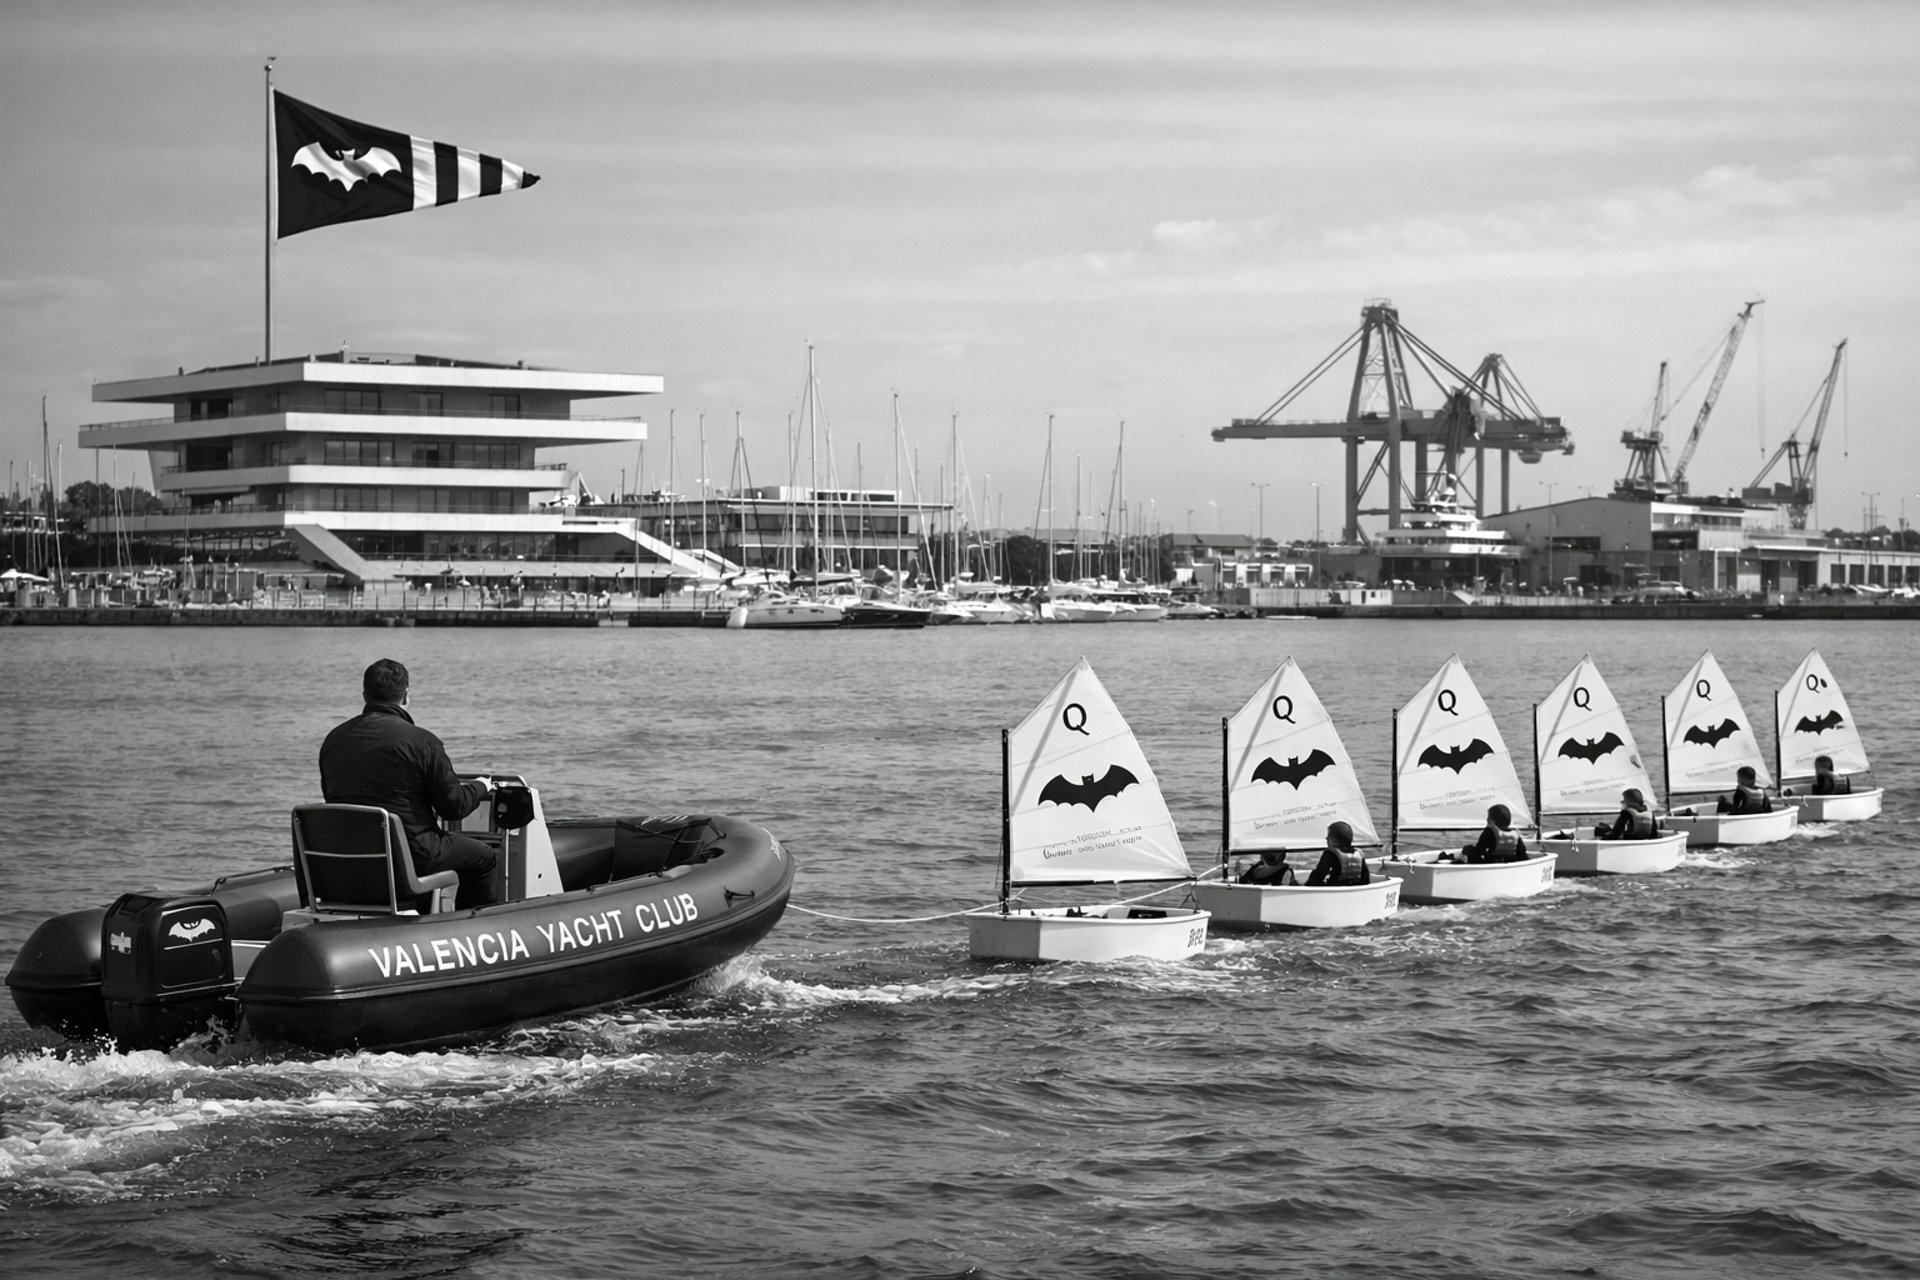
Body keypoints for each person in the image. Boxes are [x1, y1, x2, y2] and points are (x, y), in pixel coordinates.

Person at [319, 658, 498, 910]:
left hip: (352, 857)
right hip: (412, 856)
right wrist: (481, 787)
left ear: (364, 694)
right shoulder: (422, 742)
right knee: (485, 857)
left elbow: (334, 798)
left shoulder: (333, 740)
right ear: (406, 696)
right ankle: (471, 934)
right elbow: (453, 807)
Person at [1306, 820, 1370, 886]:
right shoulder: (1360, 854)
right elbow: (1365, 880)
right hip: (1355, 891)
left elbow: (1316, 878)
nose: (1326, 839)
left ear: (1334, 841)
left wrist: (1306, 886)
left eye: (1328, 837)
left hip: (1335, 891)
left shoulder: (1330, 854)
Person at [1461, 803, 1526, 863]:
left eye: (1488, 817)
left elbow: (1478, 851)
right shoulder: (1515, 835)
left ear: (1492, 821)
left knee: (1468, 850)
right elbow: (1522, 854)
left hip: (1492, 864)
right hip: (1511, 865)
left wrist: (1467, 849)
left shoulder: (1489, 832)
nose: (1486, 819)